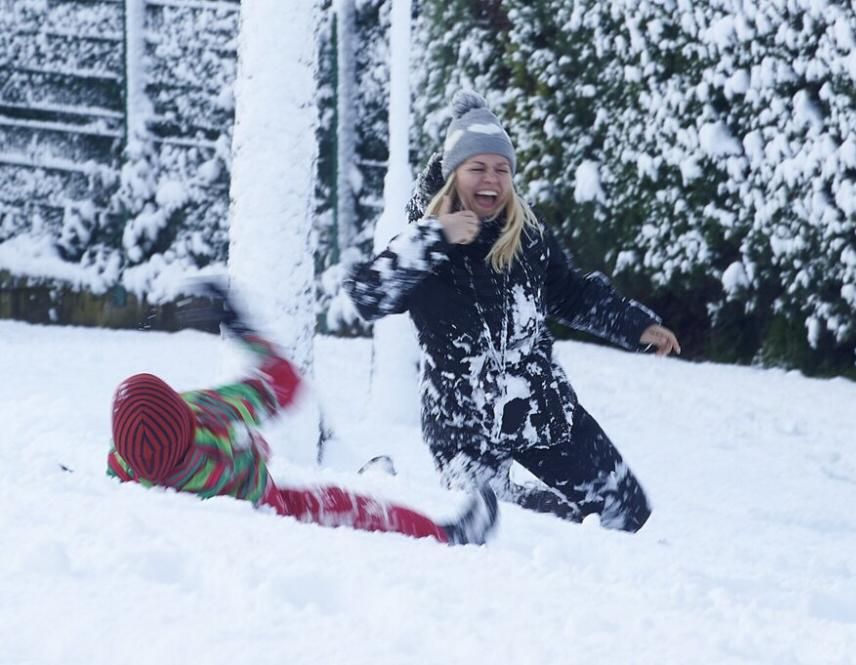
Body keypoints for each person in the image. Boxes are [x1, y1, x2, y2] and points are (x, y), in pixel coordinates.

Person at [345, 91, 680, 532]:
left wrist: (636, 326)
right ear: (453, 174)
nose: (492, 179)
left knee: (625, 512)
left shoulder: (528, 236)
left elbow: (573, 294)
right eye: (477, 168)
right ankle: (391, 492)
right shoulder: (424, 243)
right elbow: (368, 295)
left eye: (502, 169)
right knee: (497, 524)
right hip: (464, 428)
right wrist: (435, 236)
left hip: (541, 409)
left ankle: (560, 527)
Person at [106, 280, 498, 546]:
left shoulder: (123, 466)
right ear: (182, 412)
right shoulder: (207, 418)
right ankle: (447, 535)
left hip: (244, 499)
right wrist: (239, 326)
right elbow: (284, 383)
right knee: (356, 509)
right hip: (270, 507)